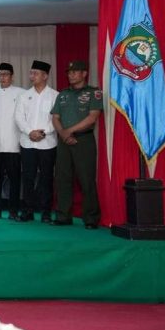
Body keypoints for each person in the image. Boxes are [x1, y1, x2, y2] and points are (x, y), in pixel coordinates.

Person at [51, 60, 103, 229]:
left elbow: (92, 117)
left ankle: (91, 218)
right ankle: (63, 215)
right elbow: (55, 118)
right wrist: (63, 133)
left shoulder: (94, 93)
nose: (71, 75)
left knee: (86, 179)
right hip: (64, 141)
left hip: (84, 140)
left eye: (75, 72)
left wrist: (70, 131)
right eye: (69, 72)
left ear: (84, 73)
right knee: (62, 178)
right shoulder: (63, 94)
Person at [14, 60, 59, 223]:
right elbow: (19, 117)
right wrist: (30, 132)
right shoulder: (24, 96)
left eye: (36, 73)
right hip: (28, 143)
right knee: (28, 178)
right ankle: (27, 211)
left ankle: (46, 212)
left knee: (46, 178)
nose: (32, 76)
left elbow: (56, 119)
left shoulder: (55, 95)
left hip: (48, 144)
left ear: (45, 76)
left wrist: (43, 132)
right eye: (31, 73)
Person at [0, 62, 24, 220]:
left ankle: (13, 211)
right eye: (0, 74)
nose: (2, 77)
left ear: (12, 77)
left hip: (14, 144)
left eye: (6, 74)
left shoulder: (21, 94)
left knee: (15, 180)